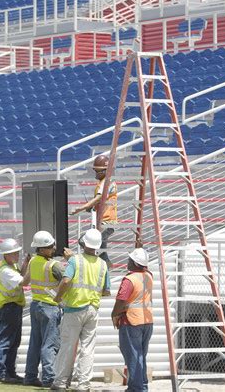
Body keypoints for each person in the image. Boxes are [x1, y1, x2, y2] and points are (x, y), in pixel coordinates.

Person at [51, 228, 111, 391]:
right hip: (92, 309)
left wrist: (58, 297)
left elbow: (65, 281)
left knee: (68, 346)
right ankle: (83, 384)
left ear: (83, 243)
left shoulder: (75, 260)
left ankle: (61, 382)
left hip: (74, 308)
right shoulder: (103, 264)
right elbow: (106, 291)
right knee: (88, 348)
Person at [24, 231, 63, 388]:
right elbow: (68, 280)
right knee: (49, 344)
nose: (54, 248)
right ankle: (49, 378)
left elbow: (25, 280)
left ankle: (30, 376)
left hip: (36, 306)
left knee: (35, 342)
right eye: (50, 246)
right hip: (49, 308)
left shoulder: (33, 261)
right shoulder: (54, 265)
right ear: (41, 249)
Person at [111, 247, 153, 392]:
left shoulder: (129, 280)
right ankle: (142, 385)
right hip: (147, 322)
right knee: (141, 355)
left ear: (134, 263)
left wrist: (114, 315)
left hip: (131, 322)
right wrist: (139, 246)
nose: (127, 262)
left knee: (133, 356)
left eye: (129, 260)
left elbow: (121, 301)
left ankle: (136, 388)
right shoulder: (148, 276)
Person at [0, 238, 30, 384]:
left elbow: (21, 274)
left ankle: (9, 372)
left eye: (17, 253)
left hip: (13, 307)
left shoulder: (11, 267)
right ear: (5, 255)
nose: (17, 256)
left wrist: (26, 264)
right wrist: (35, 267)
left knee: (13, 341)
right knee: (5, 341)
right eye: (13, 253)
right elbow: (24, 282)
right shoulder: (6, 271)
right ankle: (1, 373)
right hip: (9, 307)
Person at [70, 154, 117, 267]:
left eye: (98, 171)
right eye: (96, 171)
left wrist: (81, 207)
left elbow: (99, 198)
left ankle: (97, 266)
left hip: (106, 222)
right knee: (102, 251)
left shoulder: (107, 183)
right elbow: (101, 201)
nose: (96, 174)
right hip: (104, 221)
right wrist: (92, 208)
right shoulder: (105, 182)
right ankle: (106, 266)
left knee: (84, 241)